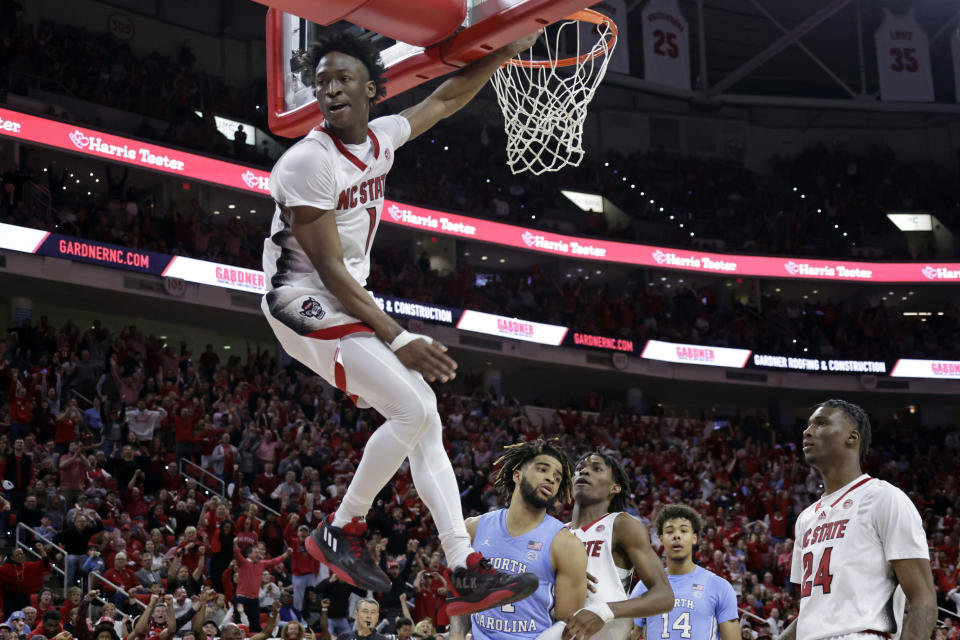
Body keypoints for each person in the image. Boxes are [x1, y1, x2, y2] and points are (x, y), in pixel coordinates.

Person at [262, 26, 542, 611]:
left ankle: (464, 565)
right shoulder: (306, 162)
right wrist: (400, 335)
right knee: (412, 407)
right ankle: (342, 526)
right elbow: (330, 271)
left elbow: (442, 99)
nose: (330, 90)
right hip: (300, 299)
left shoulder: (382, 137)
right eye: (321, 83)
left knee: (425, 417)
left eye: (343, 79)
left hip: (346, 297)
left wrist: (506, 50)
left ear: (372, 87)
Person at [778, 400, 937, 640]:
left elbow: (923, 598)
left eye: (821, 424)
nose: (807, 432)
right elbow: (814, 614)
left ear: (852, 437)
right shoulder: (805, 519)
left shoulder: (884, 498)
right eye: (807, 425)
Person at [452, 439, 587, 640]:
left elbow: (569, 625)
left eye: (557, 478)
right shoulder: (473, 528)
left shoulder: (566, 545)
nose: (551, 478)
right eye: (543, 470)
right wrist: (456, 635)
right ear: (517, 475)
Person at [561, 452, 673, 640]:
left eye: (596, 469)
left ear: (614, 487)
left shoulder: (621, 524)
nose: (584, 471)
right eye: (580, 468)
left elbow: (664, 596)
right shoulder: (557, 534)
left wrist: (602, 611)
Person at [630, 505, 739, 640]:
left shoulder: (719, 586)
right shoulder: (645, 586)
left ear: (694, 538)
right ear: (662, 539)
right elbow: (627, 634)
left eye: (683, 531)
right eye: (670, 532)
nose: (676, 536)